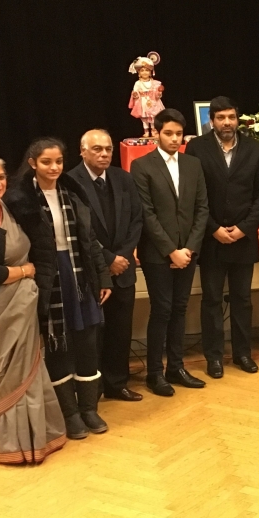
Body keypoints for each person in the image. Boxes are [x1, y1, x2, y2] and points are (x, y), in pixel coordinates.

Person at [0, 153, 66, 464]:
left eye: (0, 177)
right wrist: (26, 271)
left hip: (19, 303)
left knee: (28, 372)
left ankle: (38, 437)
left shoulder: (8, 207)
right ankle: (6, 444)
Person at [5, 138, 113, 439]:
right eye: (46, 162)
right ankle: (70, 414)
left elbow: (89, 240)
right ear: (32, 163)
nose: (54, 168)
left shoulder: (73, 191)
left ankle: (90, 409)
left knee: (87, 344)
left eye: (59, 162)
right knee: (58, 346)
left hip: (81, 274)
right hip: (50, 278)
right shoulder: (19, 199)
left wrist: (103, 277)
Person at [185, 96, 259, 378]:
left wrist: (245, 227)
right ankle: (214, 357)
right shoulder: (196, 148)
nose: (226, 123)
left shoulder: (255, 149)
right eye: (220, 118)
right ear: (211, 120)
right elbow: (194, 194)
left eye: (231, 117)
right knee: (211, 299)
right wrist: (213, 228)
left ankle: (242, 354)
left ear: (238, 119)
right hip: (211, 238)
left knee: (242, 298)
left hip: (243, 237)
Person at [131, 108, 209, 396]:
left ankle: (176, 367)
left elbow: (202, 209)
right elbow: (147, 214)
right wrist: (170, 251)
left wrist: (189, 248)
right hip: (157, 254)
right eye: (168, 133)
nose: (174, 139)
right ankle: (155, 373)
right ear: (157, 134)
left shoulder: (193, 164)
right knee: (162, 310)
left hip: (188, 252)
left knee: (180, 308)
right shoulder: (142, 166)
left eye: (178, 134)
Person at [68, 130, 143, 401]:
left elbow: (137, 219)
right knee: (92, 334)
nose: (104, 154)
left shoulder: (123, 178)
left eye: (108, 149)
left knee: (120, 330)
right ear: (83, 151)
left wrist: (122, 256)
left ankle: (117, 383)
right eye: (97, 149)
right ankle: (92, 388)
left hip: (123, 269)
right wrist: (108, 259)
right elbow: (77, 229)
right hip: (93, 271)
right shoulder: (70, 182)